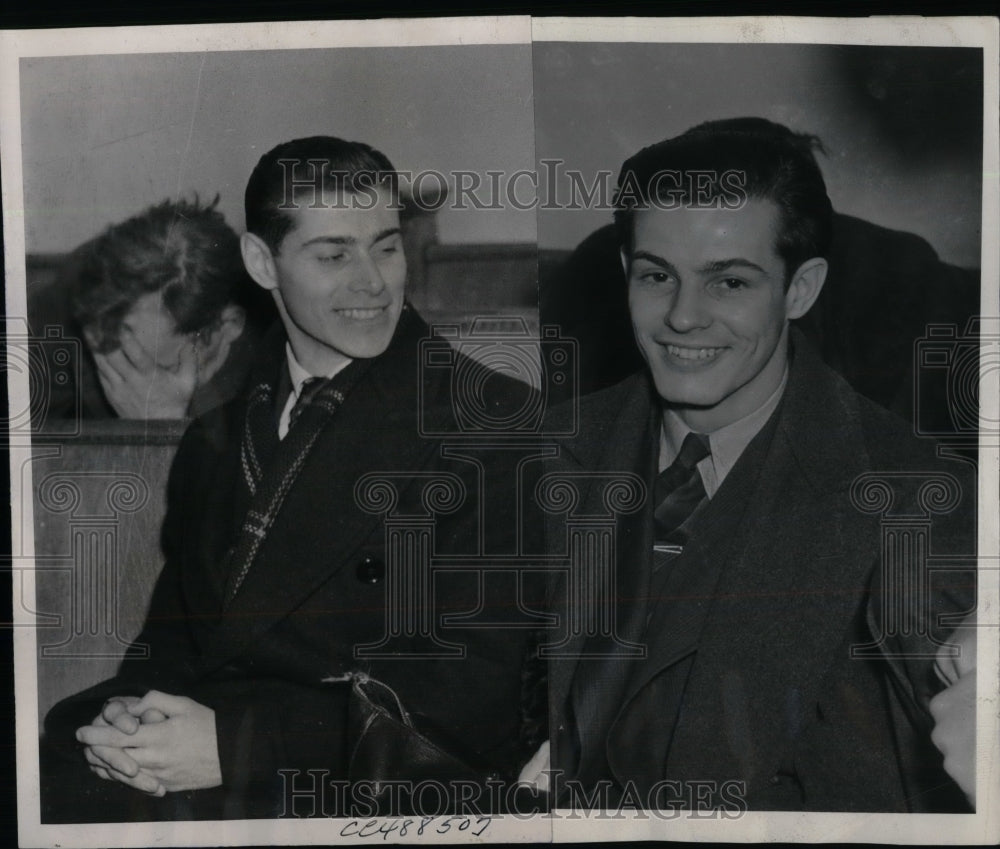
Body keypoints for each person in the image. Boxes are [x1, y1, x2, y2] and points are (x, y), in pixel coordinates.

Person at [42, 137, 543, 820]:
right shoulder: (214, 443)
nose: (373, 281)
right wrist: (129, 721)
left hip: (358, 790)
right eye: (334, 254)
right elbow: (171, 645)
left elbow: (475, 699)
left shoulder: (493, 421)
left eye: (387, 247)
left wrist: (233, 744)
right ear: (262, 262)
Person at [543, 118, 977, 812]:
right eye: (658, 275)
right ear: (627, 273)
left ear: (800, 290)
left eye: (730, 283)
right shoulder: (541, 454)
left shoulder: (920, 502)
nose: (683, 317)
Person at [29, 196, 271, 421]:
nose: (133, 384)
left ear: (229, 326)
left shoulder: (276, 361)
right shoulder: (65, 305)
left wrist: (161, 425)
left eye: (159, 369)